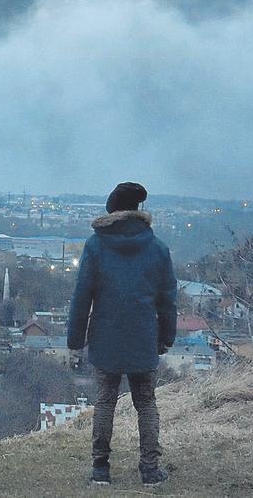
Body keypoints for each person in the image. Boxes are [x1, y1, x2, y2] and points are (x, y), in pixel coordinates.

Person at [67, 182, 177, 487]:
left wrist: (75, 339)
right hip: (144, 336)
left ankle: (101, 469)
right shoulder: (158, 249)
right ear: (138, 211)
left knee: (104, 402)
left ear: (112, 212)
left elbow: (82, 295)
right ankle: (150, 469)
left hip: (105, 335)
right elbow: (168, 299)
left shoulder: (95, 245)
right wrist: (167, 336)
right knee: (146, 403)